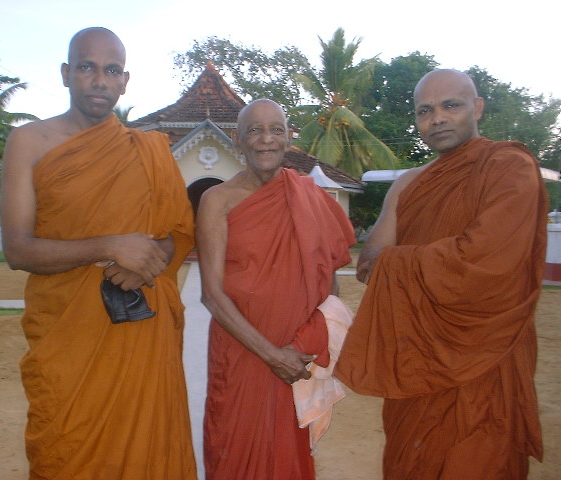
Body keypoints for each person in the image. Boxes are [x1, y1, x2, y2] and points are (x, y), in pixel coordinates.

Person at [0, 27, 196, 480]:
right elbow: (17, 248)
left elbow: (177, 235)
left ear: (125, 81)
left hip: (139, 335)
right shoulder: (29, 143)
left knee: (148, 454)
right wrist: (109, 246)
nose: (99, 80)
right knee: (66, 453)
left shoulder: (148, 151)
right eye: (87, 67)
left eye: (111, 71)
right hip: (68, 340)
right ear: (68, 74)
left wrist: (146, 263)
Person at [335, 69, 548, 479]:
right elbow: (368, 262)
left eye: (451, 105)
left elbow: (487, 262)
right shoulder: (409, 185)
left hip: (486, 358)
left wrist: (400, 263)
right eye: (425, 110)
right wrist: (404, 264)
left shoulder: (509, 167)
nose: (437, 119)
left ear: (477, 108)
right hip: (416, 362)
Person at [196, 98, 356, 479]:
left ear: (288, 139)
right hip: (241, 353)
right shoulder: (216, 200)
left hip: (294, 353)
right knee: (232, 449)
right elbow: (212, 294)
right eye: (254, 130)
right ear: (237, 139)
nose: (266, 139)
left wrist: (303, 344)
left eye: (276, 130)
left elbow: (329, 282)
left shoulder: (310, 196)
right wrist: (271, 355)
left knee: (288, 456)